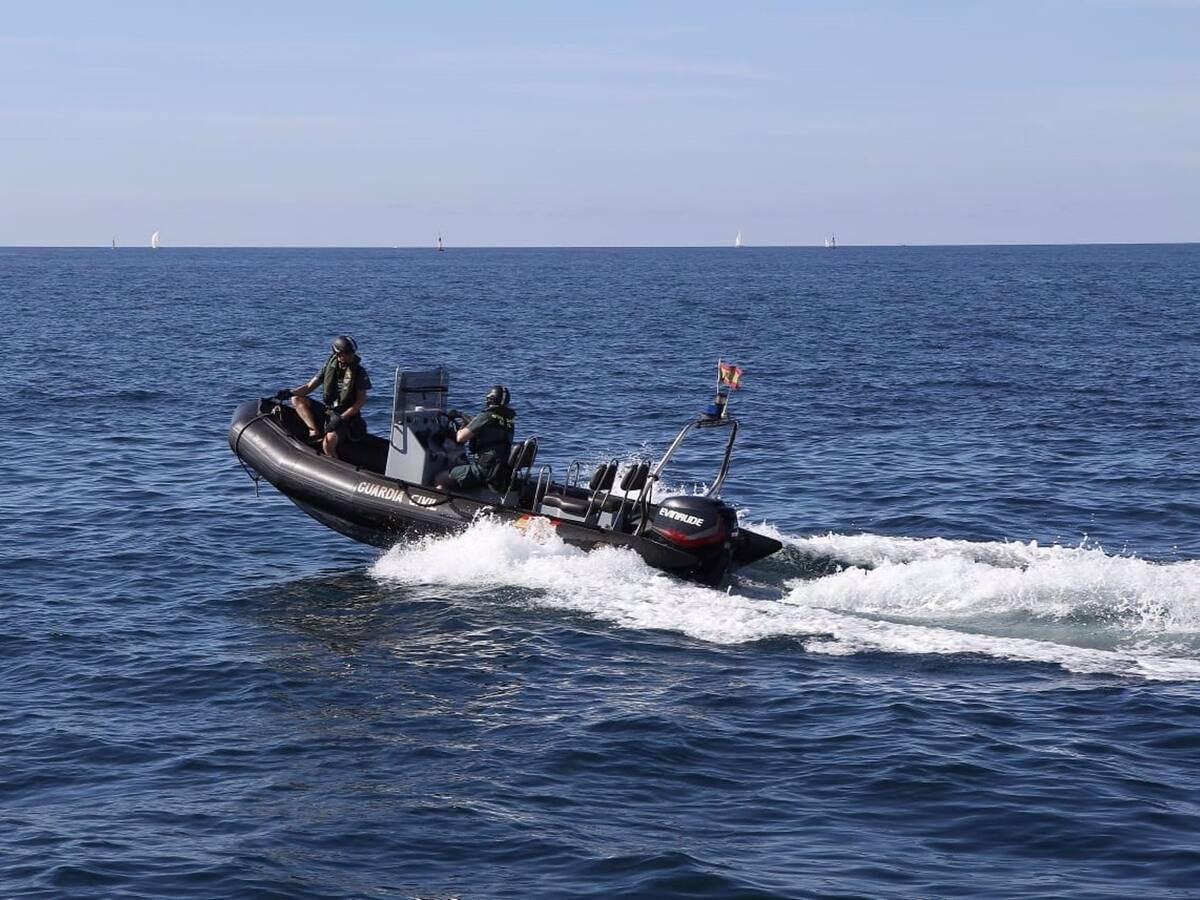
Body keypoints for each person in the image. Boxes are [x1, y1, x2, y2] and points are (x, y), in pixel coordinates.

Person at [274, 335, 371, 459]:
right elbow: (309, 387)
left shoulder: (359, 372)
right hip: (329, 410)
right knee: (296, 399)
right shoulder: (329, 367)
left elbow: (360, 402)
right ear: (338, 354)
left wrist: (341, 418)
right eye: (347, 353)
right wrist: (290, 393)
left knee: (328, 444)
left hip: (347, 418)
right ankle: (314, 431)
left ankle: (335, 464)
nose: (351, 355)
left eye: (352, 352)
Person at [444, 385, 516, 490]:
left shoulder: (486, 416)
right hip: (500, 470)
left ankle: (435, 497)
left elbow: (460, 438)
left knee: (441, 477)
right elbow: (485, 427)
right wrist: (462, 415)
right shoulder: (509, 421)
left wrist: (462, 426)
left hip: (484, 470)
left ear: (490, 400)